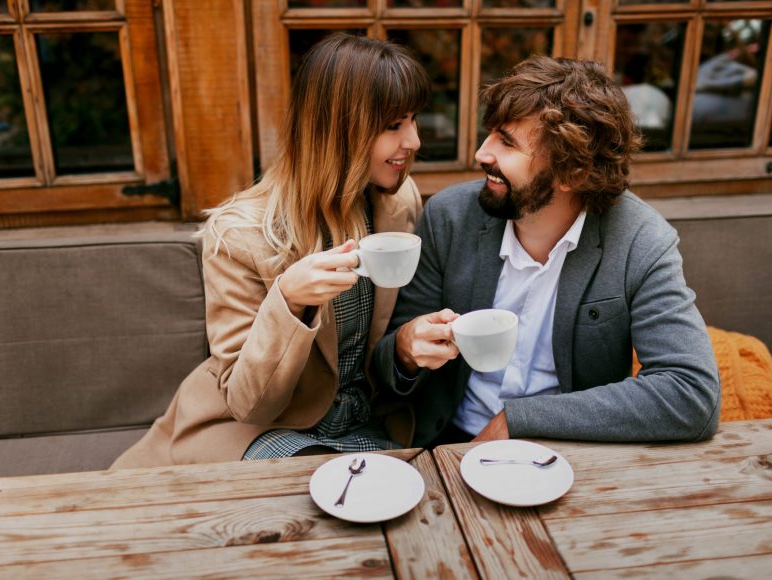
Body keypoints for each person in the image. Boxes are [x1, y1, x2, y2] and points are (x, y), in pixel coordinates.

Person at [112, 33, 430, 467]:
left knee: (404, 494)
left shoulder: (398, 202)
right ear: (337, 131)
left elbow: (380, 347)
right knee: (311, 490)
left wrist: (411, 348)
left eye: (413, 120)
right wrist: (289, 301)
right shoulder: (240, 234)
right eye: (394, 125)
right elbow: (249, 403)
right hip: (260, 428)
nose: (414, 141)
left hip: (363, 420)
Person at [372, 55, 720, 447]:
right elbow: (385, 366)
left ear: (573, 172)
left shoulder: (640, 240)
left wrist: (520, 420)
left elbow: (692, 392)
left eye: (507, 142)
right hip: (448, 442)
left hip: (568, 448)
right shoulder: (449, 217)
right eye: (491, 134)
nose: (482, 154)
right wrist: (405, 350)